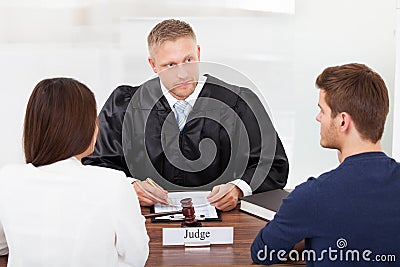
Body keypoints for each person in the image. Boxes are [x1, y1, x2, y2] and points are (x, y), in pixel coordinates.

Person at [83, 19, 289, 211]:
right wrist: (129, 187)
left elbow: (272, 164)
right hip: (143, 224)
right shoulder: (126, 104)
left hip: (224, 222)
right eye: (170, 65)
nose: (182, 74)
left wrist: (238, 187)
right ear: (153, 65)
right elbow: (96, 164)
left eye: (188, 60)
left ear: (198, 53)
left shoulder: (238, 102)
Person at [251, 63, 400, 266]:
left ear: (342, 121)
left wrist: (309, 232)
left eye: (322, 110)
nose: (318, 117)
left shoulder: (311, 197)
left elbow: (262, 252)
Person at [0, 78, 149, 267]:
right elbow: (137, 256)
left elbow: (2, 246)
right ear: (83, 128)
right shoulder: (113, 183)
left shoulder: (8, 179)